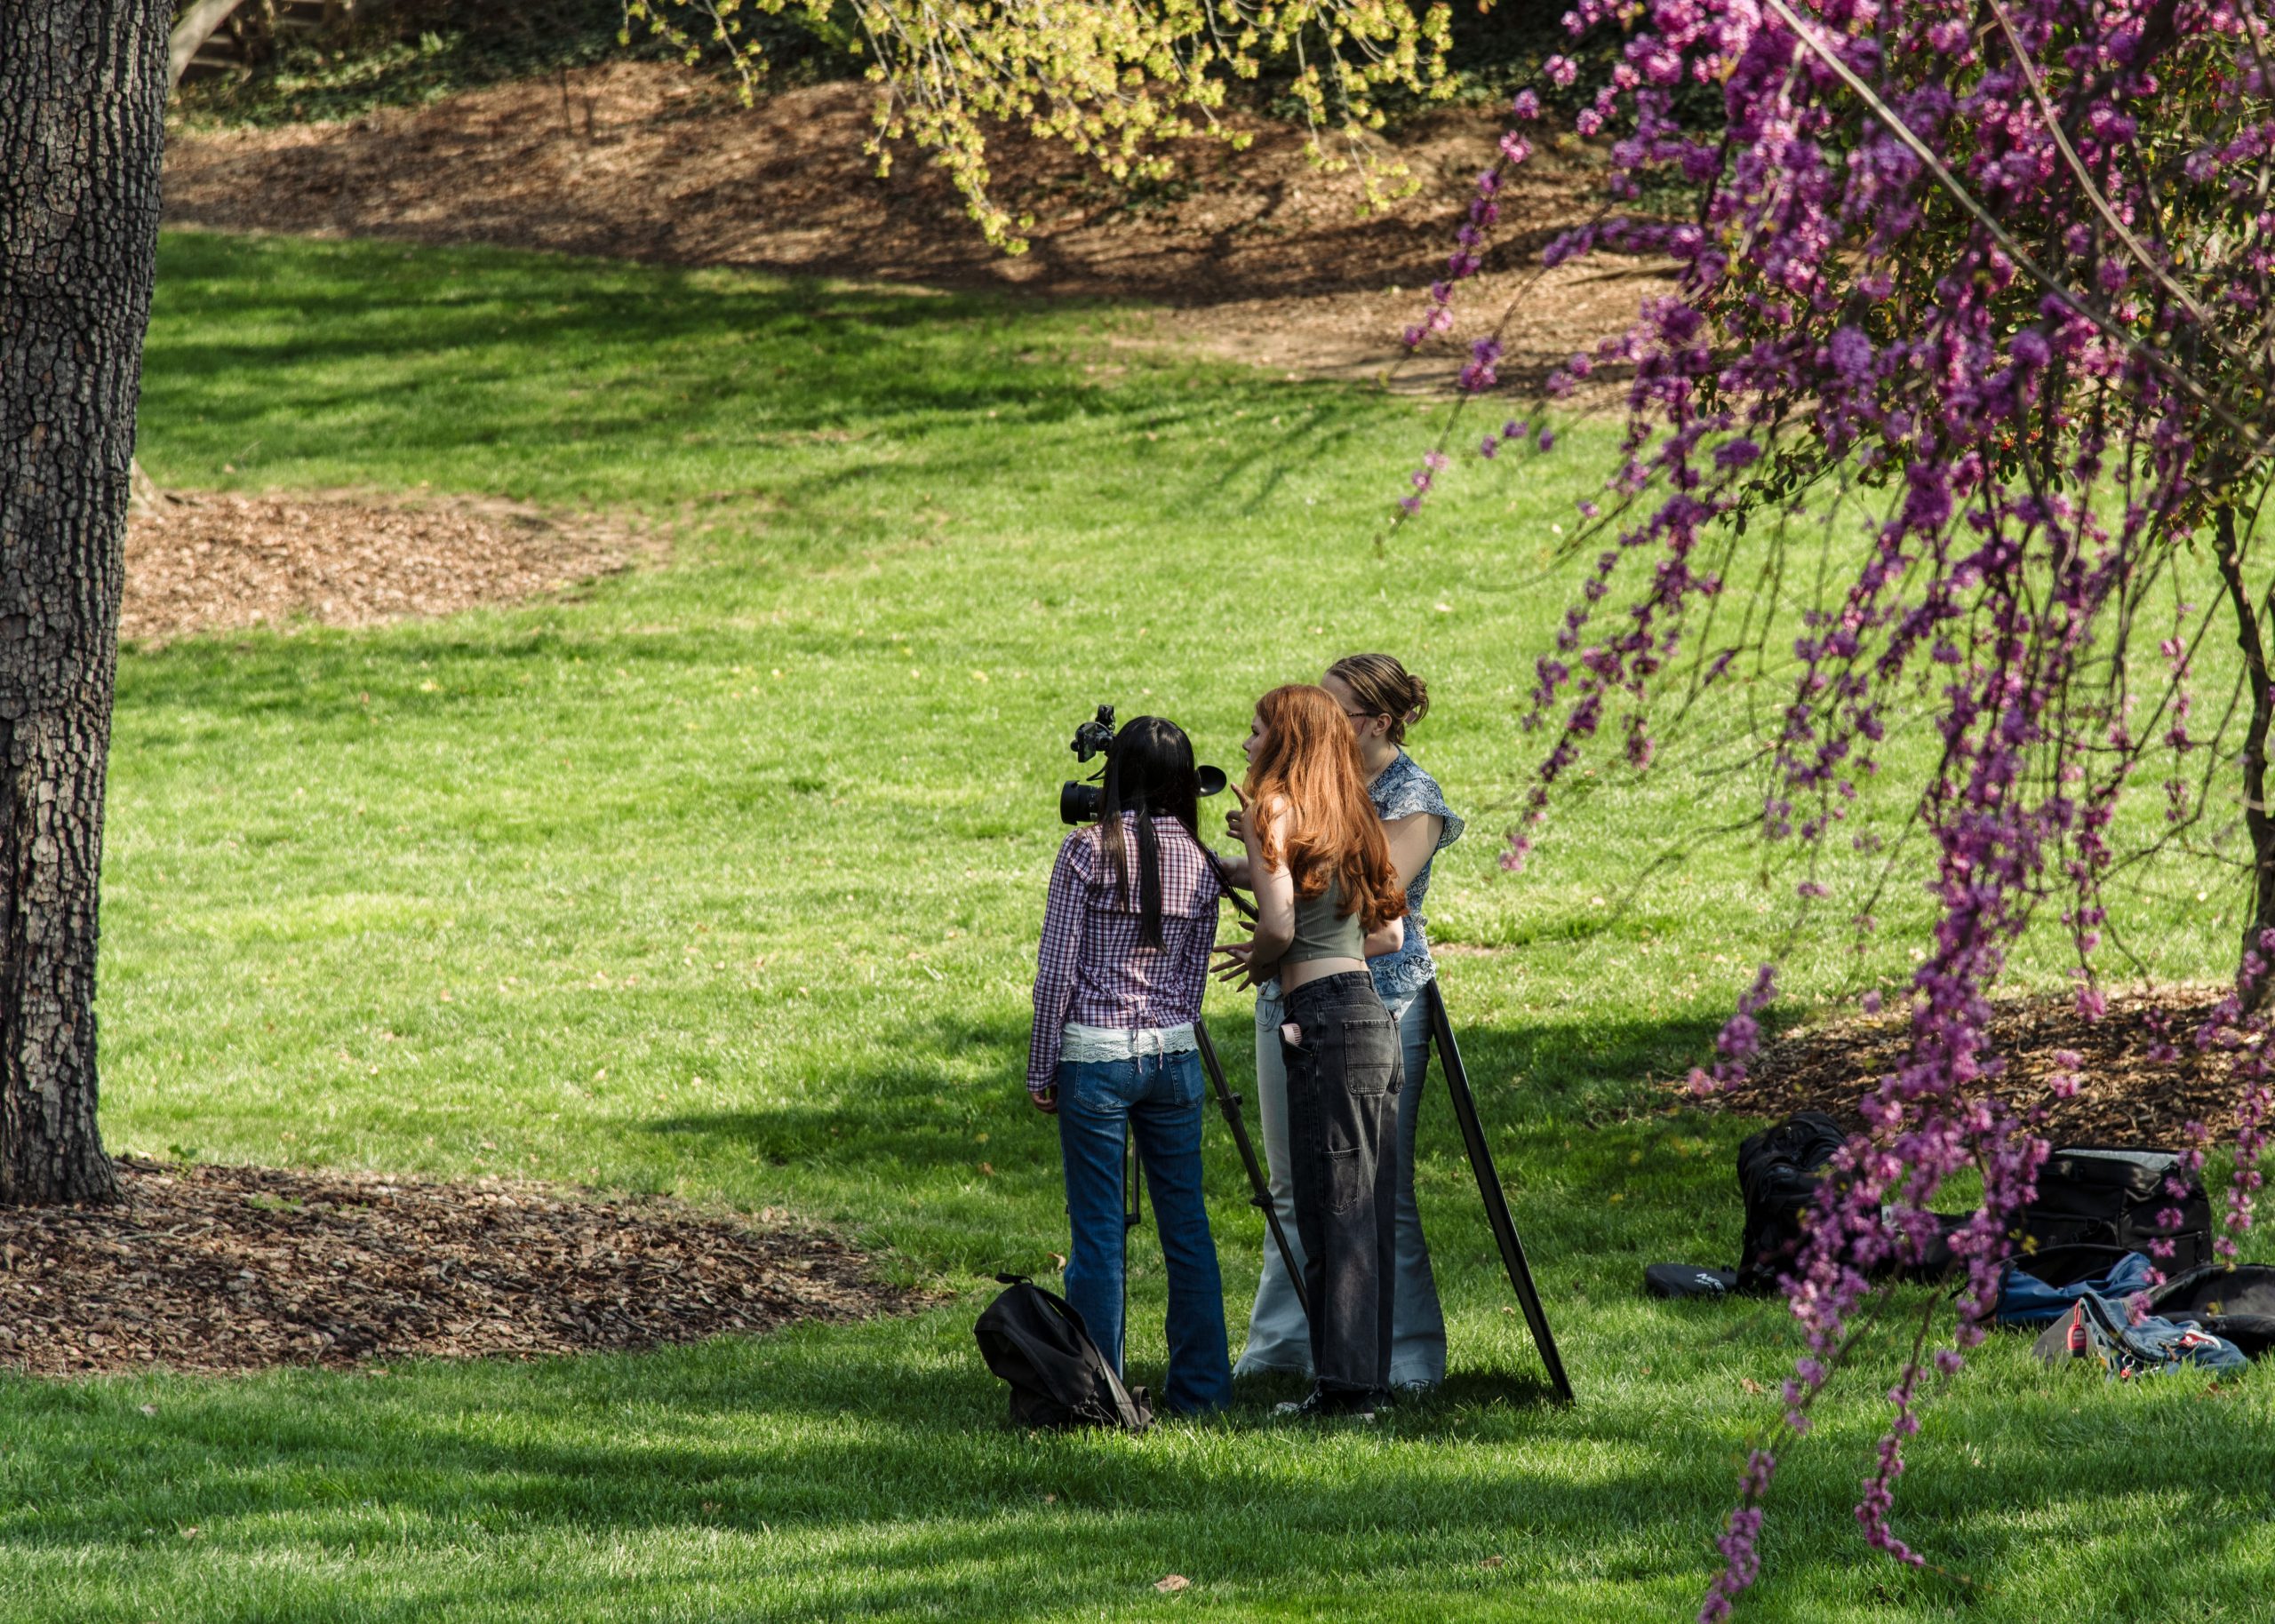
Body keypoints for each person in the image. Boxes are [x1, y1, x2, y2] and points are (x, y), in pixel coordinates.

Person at [1232, 654, 1464, 1392]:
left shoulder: (1409, 797)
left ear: (1378, 723)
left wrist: (1283, 939)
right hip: (1296, 995)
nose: (1325, 724)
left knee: (1378, 1188)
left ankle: (1407, 1359)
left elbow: (1371, 915)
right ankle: (1284, 1349)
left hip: (1380, 1001)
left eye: (1340, 713)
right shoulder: (1319, 788)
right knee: (1295, 1180)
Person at [1027, 715, 1233, 1416]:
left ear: (1117, 776)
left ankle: (1099, 1395)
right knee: (1188, 1228)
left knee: (1099, 1236)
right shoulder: (1202, 860)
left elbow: (1056, 974)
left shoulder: (1086, 852)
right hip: (1174, 1054)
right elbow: (1195, 979)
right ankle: (1203, 1394)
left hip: (1096, 1056)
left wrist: (1040, 1066)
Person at [1213, 685, 1409, 1416]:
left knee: (1330, 1209)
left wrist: (1260, 960)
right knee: (1363, 1209)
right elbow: (1388, 936)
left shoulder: (1272, 811)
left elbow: (1280, 927)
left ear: (1286, 738)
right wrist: (1249, 867)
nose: (1246, 742)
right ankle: (1365, 1381)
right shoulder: (1351, 816)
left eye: (1256, 727)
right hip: (1370, 1018)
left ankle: (1346, 1392)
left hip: (1320, 1018)